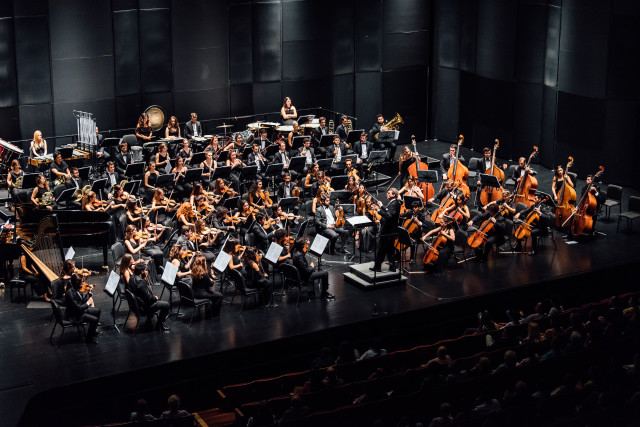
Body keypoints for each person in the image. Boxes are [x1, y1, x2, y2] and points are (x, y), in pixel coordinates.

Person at [128, 261, 170, 331]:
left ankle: (149, 320)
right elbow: (149, 299)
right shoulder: (140, 282)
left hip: (136, 305)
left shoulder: (132, 278)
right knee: (167, 305)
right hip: (144, 307)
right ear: (142, 271)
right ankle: (159, 324)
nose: (146, 271)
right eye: (145, 270)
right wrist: (155, 298)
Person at [64, 273, 101, 344]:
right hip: (74, 316)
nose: (83, 283)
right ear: (77, 283)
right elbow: (78, 308)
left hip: (79, 311)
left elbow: (82, 300)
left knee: (98, 311)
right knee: (95, 319)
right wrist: (88, 303)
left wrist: (89, 293)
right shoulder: (70, 293)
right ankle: (89, 338)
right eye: (82, 282)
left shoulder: (76, 289)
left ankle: (92, 331)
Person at [371, 188, 401, 272]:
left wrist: (379, 209)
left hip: (388, 232)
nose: (387, 194)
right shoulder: (394, 202)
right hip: (390, 231)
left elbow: (388, 216)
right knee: (390, 250)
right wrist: (381, 207)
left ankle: (377, 267)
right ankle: (392, 267)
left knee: (381, 249)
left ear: (393, 195)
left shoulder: (394, 203)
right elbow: (388, 211)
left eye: (389, 193)